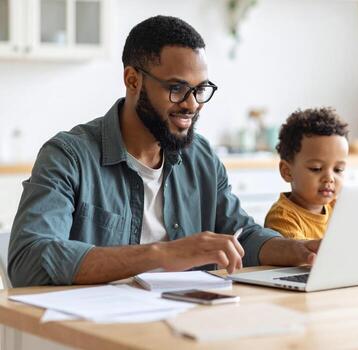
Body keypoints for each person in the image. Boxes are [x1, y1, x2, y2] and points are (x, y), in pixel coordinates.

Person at [8, 16, 320, 287]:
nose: (192, 103)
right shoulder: (68, 156)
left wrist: (300, 250)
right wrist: (163, 254)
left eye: (200, 89)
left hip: (188, 322)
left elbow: (243, 237)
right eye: (177, 88)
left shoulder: (201, 158)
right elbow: (30, 260)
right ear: (133, 80)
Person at [265, 107, 349, 240]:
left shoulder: (338, 208)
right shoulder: (282, 218)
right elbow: (303, 257)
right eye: (316, 168)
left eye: (338, 170)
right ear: (287, 172)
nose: (329, 178)